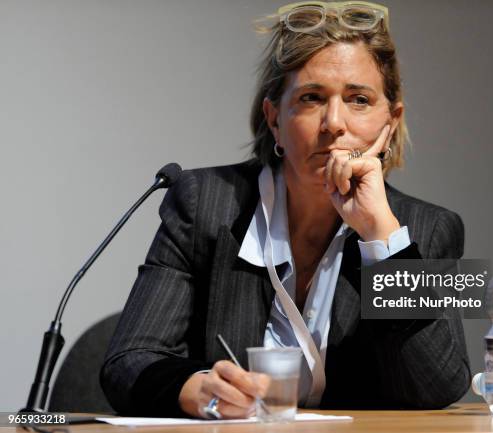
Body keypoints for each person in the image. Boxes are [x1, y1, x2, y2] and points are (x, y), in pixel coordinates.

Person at [101, 1, 470, 419]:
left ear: (390, 123)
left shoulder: (427, 227)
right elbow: (128, 361)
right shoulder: (204, 202)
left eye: (359, 100)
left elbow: (440, 384)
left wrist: (380, 237)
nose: (333, 122)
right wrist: (198, 388)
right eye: (312, 98)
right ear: (274, 119)